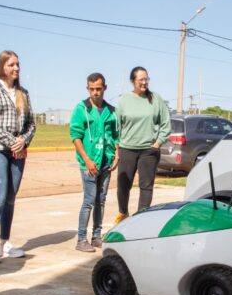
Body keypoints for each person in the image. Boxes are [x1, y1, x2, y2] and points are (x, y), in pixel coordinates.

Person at [0, 50, 35, 263]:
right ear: (2, 66)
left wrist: (24, 140)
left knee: (11, 198)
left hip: (19, 151)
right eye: (12, 65)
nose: (16, 69)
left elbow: (32, 123)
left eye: (18, 65)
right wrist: (11, 140)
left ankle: (5, 243)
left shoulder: (23, 93)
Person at [70, 73, 119, 252]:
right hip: (89, 163)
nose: (95, 93)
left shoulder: (111, 111)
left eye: (98, 89)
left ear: (105, 88)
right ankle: (81, 239)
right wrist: (87, 160)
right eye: (92, 89)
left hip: (106, 161)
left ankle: (97, 236)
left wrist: (116, 155)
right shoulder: (81, 109)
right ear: (87, 89)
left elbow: (115, 135)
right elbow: (75, 137)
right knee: (89, 200)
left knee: (101, 200)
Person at [114, 66, 171, 223]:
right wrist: (117, 147)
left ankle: (140, 220)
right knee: (123, 187)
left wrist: (158, 143)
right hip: (127, 149)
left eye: (146, 79)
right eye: (141, 79)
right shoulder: (124, 100)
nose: (144, 82)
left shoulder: (156, 99)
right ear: (133, 81)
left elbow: (166, 123)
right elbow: (116, 126)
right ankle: (123, 213)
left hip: (148, 151)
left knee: (146, 187)